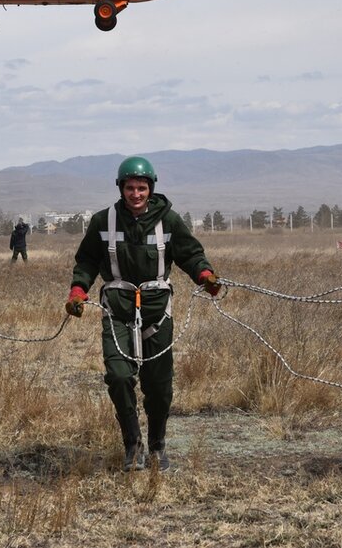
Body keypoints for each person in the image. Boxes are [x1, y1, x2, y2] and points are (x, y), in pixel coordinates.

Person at [64, 156, 221, 472]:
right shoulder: (102, 222)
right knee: (119, 377)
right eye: (130, 188)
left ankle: (157, 447)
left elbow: (191, 255)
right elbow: (86, 262)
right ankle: (132, 446)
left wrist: (205, 276)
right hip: (117, 311)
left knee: (159, 385)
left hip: (157, 311)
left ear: (151, 189)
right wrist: (78, 291)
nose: (135, 194)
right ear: (120, 188)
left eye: (142, 188)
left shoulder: (170, 221)